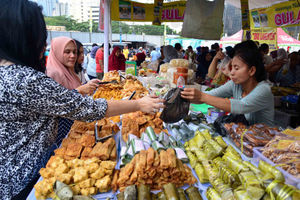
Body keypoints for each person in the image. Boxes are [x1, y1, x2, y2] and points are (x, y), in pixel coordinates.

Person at [0, 1, 165, 199]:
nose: (42, 45)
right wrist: (139, 104)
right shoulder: (26, 80)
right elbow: (87, 109)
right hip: (21, 178)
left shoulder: (7, 73)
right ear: (26, 38)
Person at [182, 40, 274, 126]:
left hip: (265, 140)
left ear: (251, 70)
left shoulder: (264, 89)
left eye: (236, 68)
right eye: (232, 68)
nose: (232, 72)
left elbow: (241, 106)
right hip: (243, 138)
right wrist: (182, 96)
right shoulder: (236, 84)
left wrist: (202, 96)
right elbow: (211, 95)